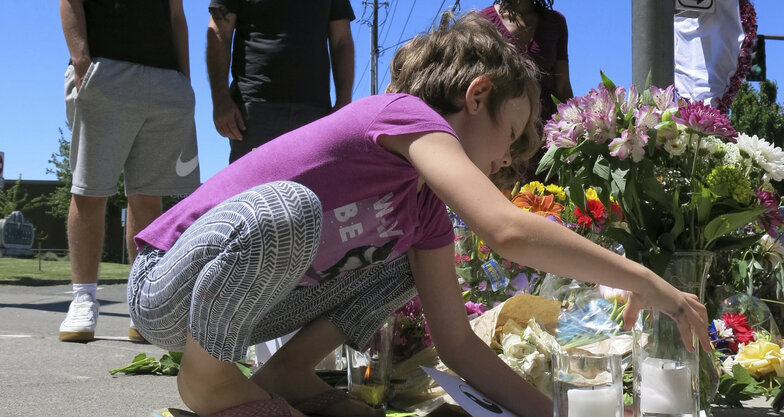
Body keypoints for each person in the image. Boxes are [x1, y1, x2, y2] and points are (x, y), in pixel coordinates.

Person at [128, 12, 710, 417]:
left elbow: (456, 343)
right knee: (291, 210)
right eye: (508, 136)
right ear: (476, 95)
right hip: (168, 287)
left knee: (406, 266)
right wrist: (646, 280)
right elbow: (505, 228)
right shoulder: (405, 114)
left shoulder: (423, 208)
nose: (503, 161)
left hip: (247, 311)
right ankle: (208, 380)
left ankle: (285, 374)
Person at [58, 0, 200, 343]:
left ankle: (143, 307)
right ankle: (83, 299)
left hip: (166, 80)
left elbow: (176, 14)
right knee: (89, 190)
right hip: (106, 72)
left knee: (149, 197)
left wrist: (185, 80)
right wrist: (81, 61)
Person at [207, 1, 356, 163]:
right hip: (253, 110)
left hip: (315, 113)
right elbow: (218, 31)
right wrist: (220, 100)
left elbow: (341, 40)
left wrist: (344, 102)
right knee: (253, 188)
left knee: (312, 188)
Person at [480, 0, 573, 182]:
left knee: (547, 204)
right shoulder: (483, 21)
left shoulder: (555, 22)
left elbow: (563, 87)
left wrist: (573, 131)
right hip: (501, 138)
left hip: (546, 140)